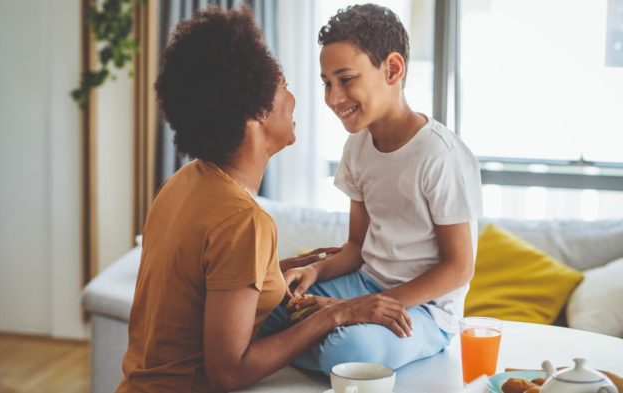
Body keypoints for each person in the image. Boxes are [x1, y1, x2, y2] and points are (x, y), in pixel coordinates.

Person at [115, 6, 412, 393]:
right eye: (282, 84)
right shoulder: (243, 221)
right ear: (253, 111)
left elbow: (207, 289)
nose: (294, 98)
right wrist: (337, 314)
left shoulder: (185, 182)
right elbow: (228, 372)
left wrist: (282, 268)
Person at [259, 3, 483, 374]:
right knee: (260, 310)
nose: (333, 98)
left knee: (347, 351)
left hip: (423, 310)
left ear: (392, 69)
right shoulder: (358, 147)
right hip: (364, 283)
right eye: (327, 83)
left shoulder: (440, 156)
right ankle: (306, 339)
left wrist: (355, 310)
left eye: (346, 79)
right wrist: (315, 273)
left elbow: (459, 267)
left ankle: (301, 345)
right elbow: (355, 248)